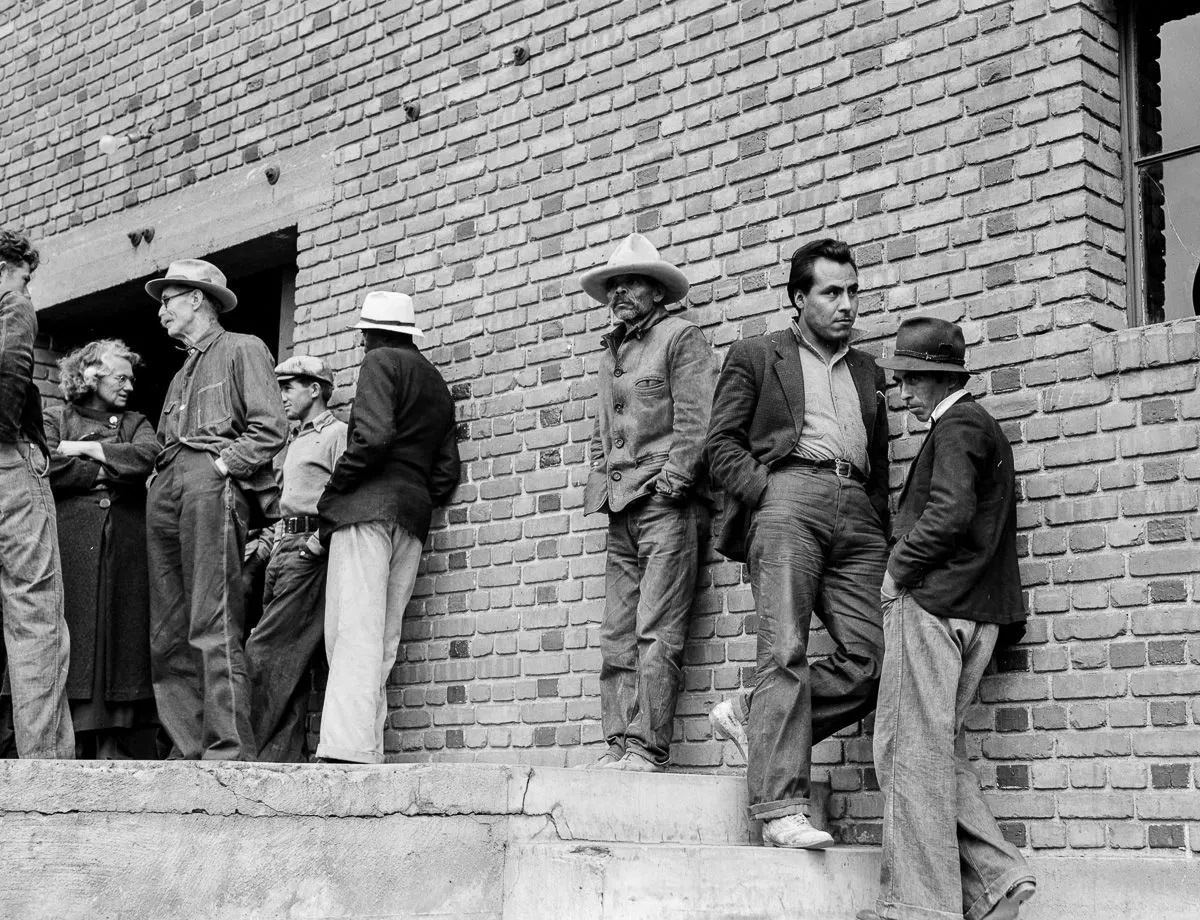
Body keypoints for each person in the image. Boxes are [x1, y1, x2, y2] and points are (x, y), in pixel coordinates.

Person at [705, 239, 889, 848]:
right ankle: (782, 810)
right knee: (782, 649)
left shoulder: (868, 371)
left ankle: (755, 719)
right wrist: (766, 493)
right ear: (798, 298)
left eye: (853, 291)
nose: (847, 305)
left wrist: (877, 523)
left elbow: (881, 462)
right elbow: (721, 445)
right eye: (831, 292)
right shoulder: (758, 355)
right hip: (789, 500)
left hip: (857, 510)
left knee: (876, 659)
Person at [860, 317, 1034, 920]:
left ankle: (918, 907)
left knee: (904, 749)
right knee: (928, 750)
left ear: (937, 379)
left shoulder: (958, 426)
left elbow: (950, 512)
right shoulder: (978, 425)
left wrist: (895, 571)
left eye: (910, 378)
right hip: (975, 611)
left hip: (934, 608)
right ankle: (997, 884)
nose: (903, 391)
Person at [578, 232, 715, 772]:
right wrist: (600, 479)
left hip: (665, 507)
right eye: (614, 284)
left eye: (634, 282)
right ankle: (617, 744)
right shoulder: (612, 350)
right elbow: (601, 430)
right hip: (620, 508)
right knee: (617, 633)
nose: (621, 292)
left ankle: (646, 747)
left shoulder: (681, 339)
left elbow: (697, 423)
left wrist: (672, 483)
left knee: (657, 631)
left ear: (659, 291)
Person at [144, 259, 288, 760]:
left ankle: (227, 749)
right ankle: (187, 748)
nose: (161, 311)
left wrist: (224, 467)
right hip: (168, 482)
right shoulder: (180, 372)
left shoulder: (242, 348)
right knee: (167, 629)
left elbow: (270, 427)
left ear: (197, 299)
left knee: (212, 617)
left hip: (210, 480)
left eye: (168, 300)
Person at [314, 291, 459, 764]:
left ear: (369, 333)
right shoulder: (436, 382)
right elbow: (445, 474)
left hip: (365, 509)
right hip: (412, 516)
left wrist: (335, 491)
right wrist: (409, 491)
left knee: (352, 627)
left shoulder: (379, 362)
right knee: (383, 635)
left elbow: (372, 437)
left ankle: (345, 748)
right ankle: (367, 746)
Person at [44, 340, 160, 758]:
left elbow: (148, 456)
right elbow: (46, 463)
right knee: (75, 632)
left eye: (131, 378)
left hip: (125, 546)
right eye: (120, 377)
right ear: (91, 376)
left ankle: (118, 742)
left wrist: (88, 448)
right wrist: (107, 472)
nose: (129, 385)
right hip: (73, 542)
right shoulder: (56, 418)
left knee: (120, 637)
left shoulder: (136, 421)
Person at [245, 355, 346, 762]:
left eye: (289, 387)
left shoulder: (338, 433)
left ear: (315, 389)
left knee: (265, 651)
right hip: (281, 549)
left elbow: (347, 491)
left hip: (309, 547)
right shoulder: (293, 440)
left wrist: (318, 544)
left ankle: (242, 751)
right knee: (290, 658)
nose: (281, 396)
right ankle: (279, 759)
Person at [0, 228, 73, 759]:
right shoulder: (12, 302)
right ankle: (44, 773)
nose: (29, 287)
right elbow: (11, 365)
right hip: (8, 461)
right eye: (27, 276)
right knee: (35, 612)